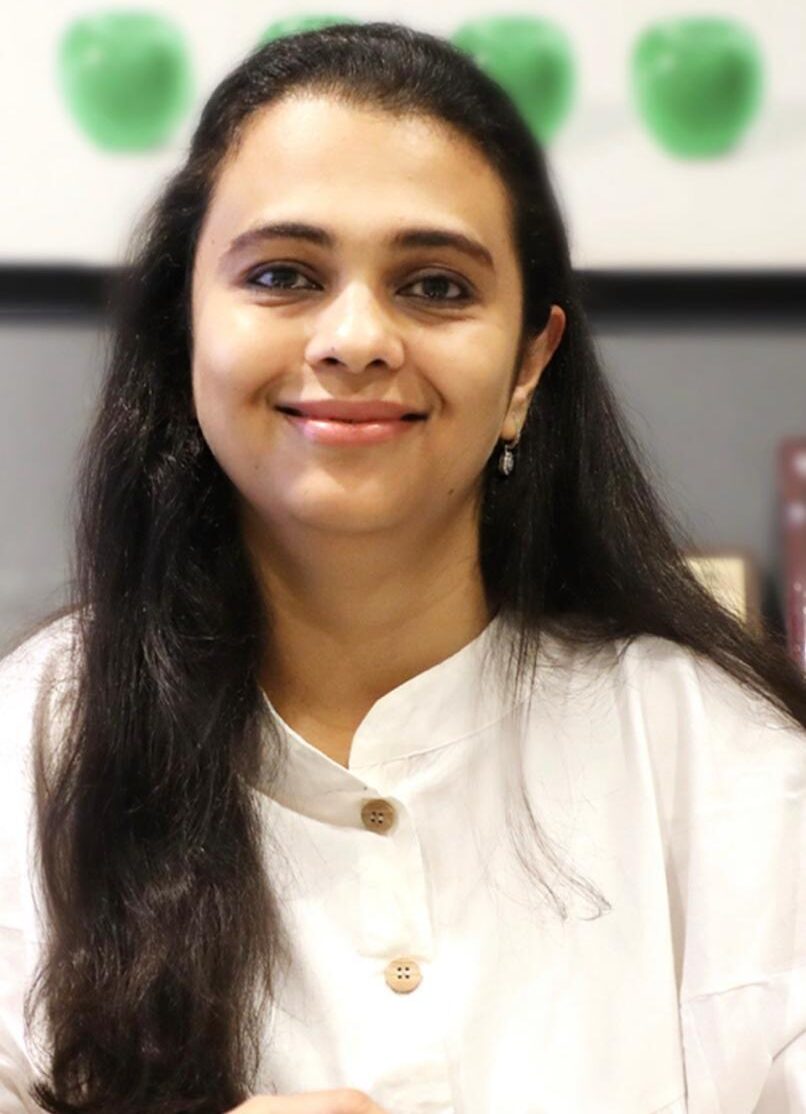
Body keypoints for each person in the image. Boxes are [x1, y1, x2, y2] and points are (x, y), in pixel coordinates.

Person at [0, 19, 804, 1114]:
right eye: (283, 274)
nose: (356, 337)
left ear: (528, 366)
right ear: (185, 326)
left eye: (435, 286)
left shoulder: (721, 761)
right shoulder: (32, 745)